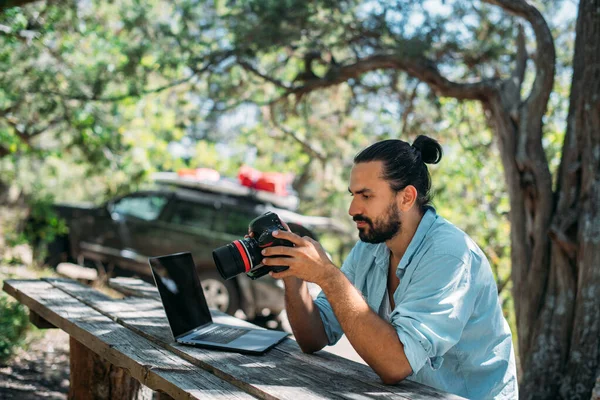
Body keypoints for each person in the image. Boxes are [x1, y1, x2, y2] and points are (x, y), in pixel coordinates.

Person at [260, 135, 518, 399]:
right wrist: (293, 274)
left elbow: (396, 364)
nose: (352, 209)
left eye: (366, 196)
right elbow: (314, 337)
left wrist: (328, 275)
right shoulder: (371, 246)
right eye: (353, 195)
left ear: (406, 198)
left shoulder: (451, 255)